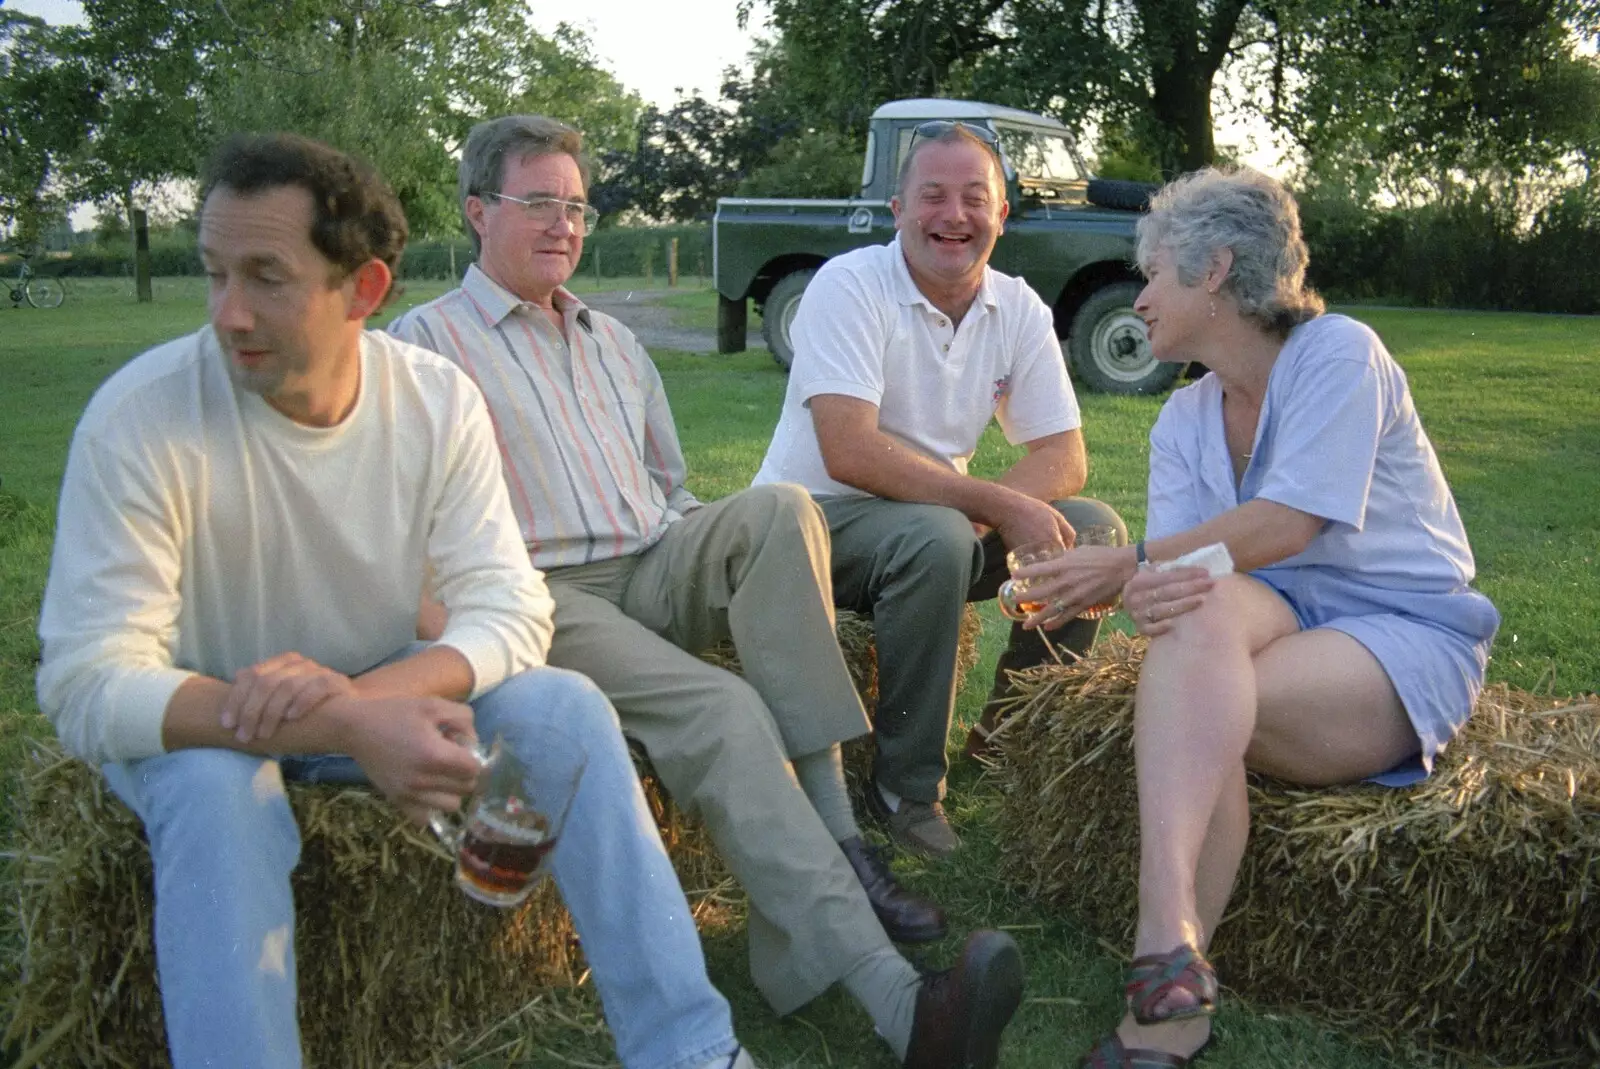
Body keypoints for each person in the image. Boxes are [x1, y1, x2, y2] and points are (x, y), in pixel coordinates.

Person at [35, 132, 763, 1069]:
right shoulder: (143, 417)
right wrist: (337, 722)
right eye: (213, 273)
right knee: (222, 794)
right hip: (203, 714)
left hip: (384, 687)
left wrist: (359, 708)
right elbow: (87, 681)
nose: (228, 312)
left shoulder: (433, 400)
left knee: (565, 706)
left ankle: (694, 1052)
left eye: (266, 276)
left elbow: (509, 608)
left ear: (365, 291)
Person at [388, 114, 1025, 1069]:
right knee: (728, 709)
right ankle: (898, 1003)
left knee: (776, 509)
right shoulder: (421, 349)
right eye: (538, 204)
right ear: (478, 212)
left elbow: (669, 486)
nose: (564, 224)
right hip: (538, 593)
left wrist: (712, 548)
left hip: (652, 556)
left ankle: (842, 840)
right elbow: (410, 532)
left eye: (576, 205)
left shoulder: (610, 340)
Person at [1009, 166, 1501, 1067]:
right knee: (1197, 638)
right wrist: (1126, 585)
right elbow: (1179, 580)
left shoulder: (1339, 353)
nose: (1141, 297)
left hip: (1397, 631)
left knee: (1201, 698)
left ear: (1215, 270)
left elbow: (1286, 523)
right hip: (1273, 619)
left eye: (1153, 273)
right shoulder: (1184, 417)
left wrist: (1130, 566)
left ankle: (1159, 951)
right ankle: (1175, 964)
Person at [752, 120, 1126, 857]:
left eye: (973, 197)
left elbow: (1064, 453)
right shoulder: (851, 285)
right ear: (898, 210)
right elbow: (849, 448)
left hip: (931, 524)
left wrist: (1006, 507)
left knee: (1091, 531)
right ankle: (907, 791)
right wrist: (993, 504)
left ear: (1001, 215)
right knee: (939, 535)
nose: (954, 216)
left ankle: (1011, 741)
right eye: (932, 196)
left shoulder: (1016, 305)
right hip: (811, 525)